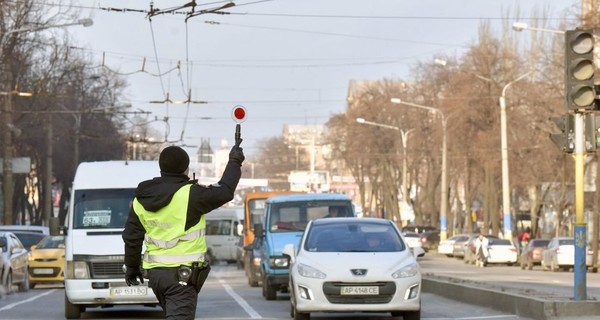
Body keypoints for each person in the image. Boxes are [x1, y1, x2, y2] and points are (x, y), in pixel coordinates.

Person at [122, 136, 244, 320]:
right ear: (186, 169)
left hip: (156, 276)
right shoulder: (190, 195)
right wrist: (234, 161)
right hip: (182, 276)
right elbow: (225, 191)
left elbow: (132, 238)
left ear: (161, 168)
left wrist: (132, 268)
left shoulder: (141, 199)